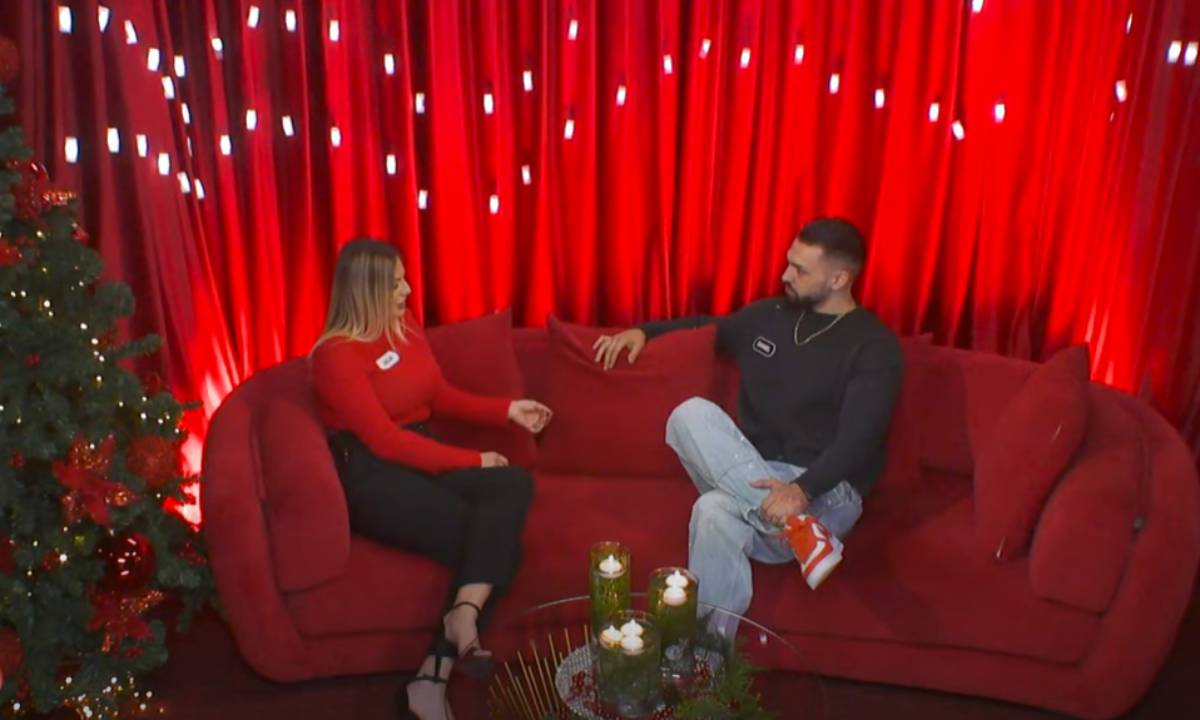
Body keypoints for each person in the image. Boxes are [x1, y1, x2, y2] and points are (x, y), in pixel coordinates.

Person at [593, 218, 901, 630]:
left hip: (826, 490)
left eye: (800, 270)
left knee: (713, 507)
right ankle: (713, 655)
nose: (785, 275)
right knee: (690, 416)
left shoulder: (873, 346)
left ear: (839, 279)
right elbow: (704, 328)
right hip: (759, 480)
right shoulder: (769, 315)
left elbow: (861, 438)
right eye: (789, 262)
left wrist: (801, 490)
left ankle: (799, 524)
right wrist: (642, 332)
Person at [310, 238, 551, 720]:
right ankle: (437, 668)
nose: (407, 290)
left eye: (404, 280)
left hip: (418, 450)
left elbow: (436, 395)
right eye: (396, 283)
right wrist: (474, 460)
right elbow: (385, 442)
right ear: (367, 290)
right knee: (496, 543)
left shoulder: (404, 327)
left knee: (514, 484)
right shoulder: (335, 356)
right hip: (372, 473)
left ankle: (451, 637)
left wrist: (506, 411)